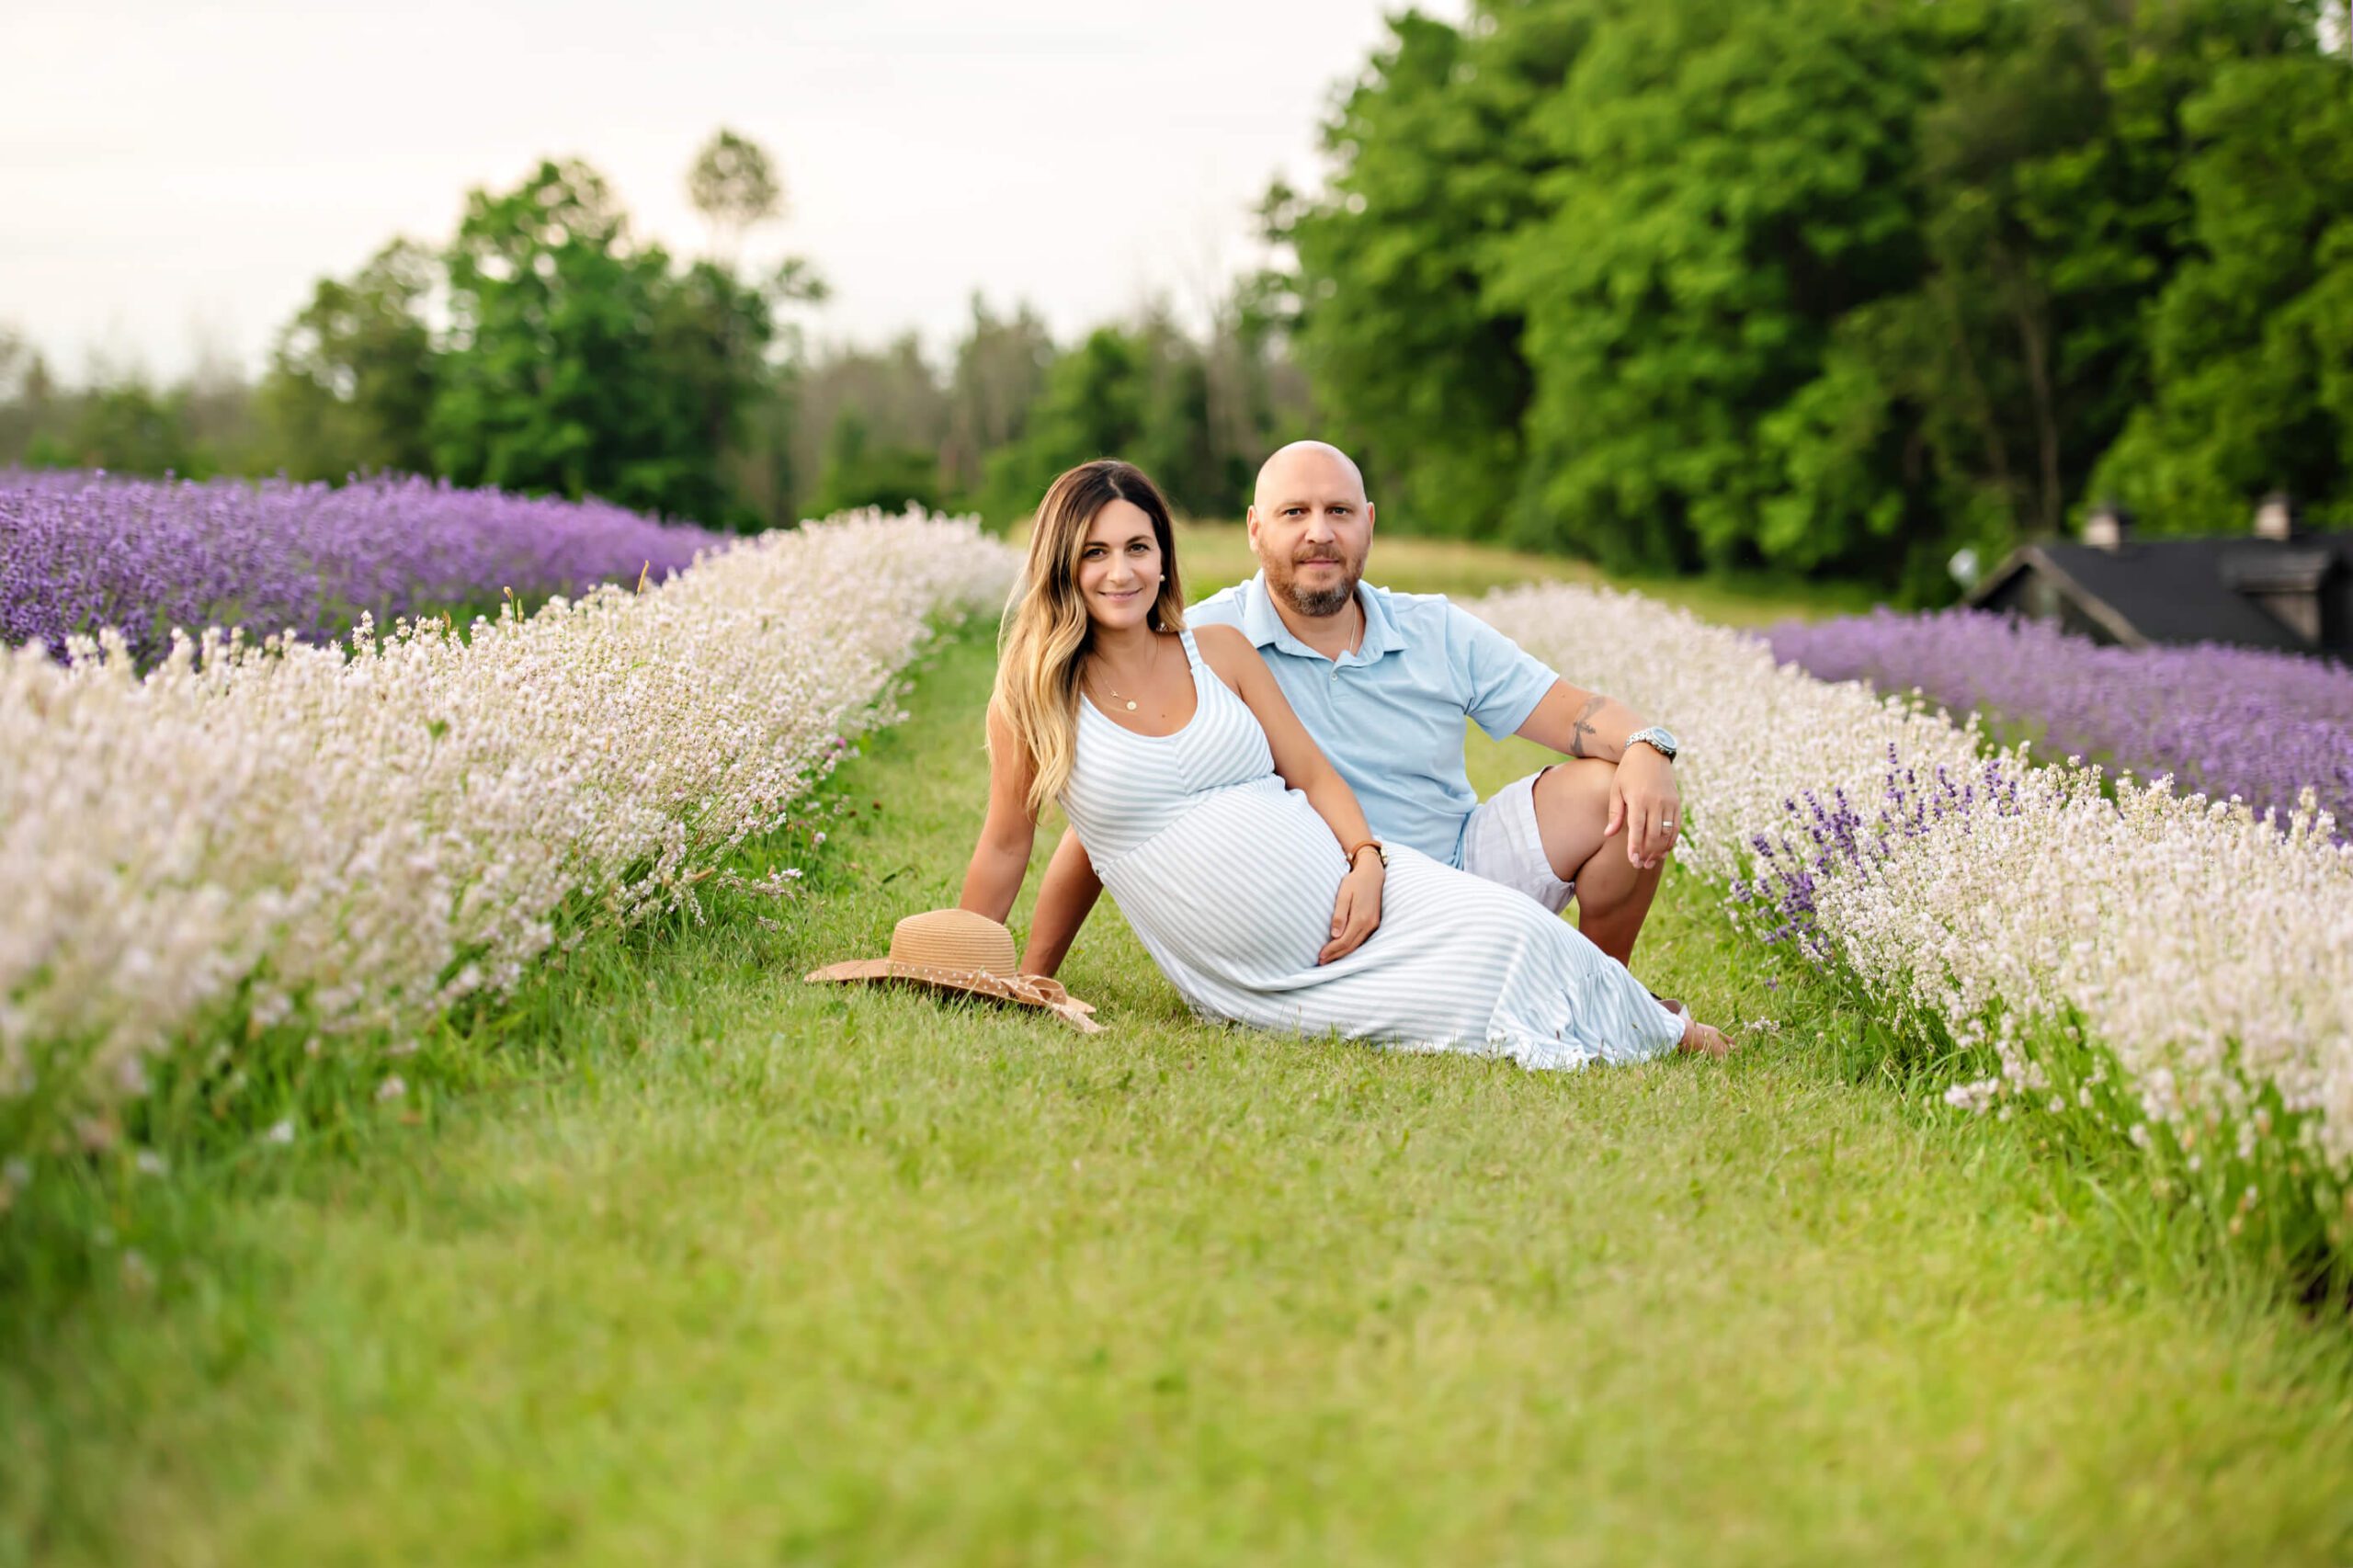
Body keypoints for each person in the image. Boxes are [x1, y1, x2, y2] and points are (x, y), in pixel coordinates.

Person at [958, 458, 1732, 1068]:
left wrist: (1648, 745)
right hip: (1297, 931)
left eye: (1138, 549)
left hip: (1410, 873)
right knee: (1499, 954)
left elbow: (1564, 714)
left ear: (1369, 524)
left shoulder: (1398, 632)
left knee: (1536, 899)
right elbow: (1068, 829)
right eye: (1295, 512)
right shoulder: (1149, 656)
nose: (1318, 532)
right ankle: (1607, 1009)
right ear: (1256, 530)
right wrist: (1015, 968)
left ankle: (1608, 1002)